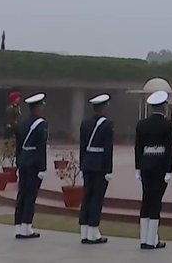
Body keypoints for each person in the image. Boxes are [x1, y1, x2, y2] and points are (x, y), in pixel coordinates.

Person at [135, 90, 172, 250]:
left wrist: (137, 167)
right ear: (164, 107)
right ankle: (152, 240)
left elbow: (138, 148)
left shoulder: (142, 124)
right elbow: (169, 149)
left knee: (146, 199)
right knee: (155, 201)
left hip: (145, 163)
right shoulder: (168, 124)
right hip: (160, 165)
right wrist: (169, 170)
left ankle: (144, 238)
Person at [78, 93, 114, 245]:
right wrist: (109, 170)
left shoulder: (85, 123)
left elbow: (82, 147)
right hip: (100, 165)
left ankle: (84, 232)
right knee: (96, 198)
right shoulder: (107, 124)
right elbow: (108, 149)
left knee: (87, 197)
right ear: (104, 107)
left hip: (87, 163)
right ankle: (93, 233)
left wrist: (81, 165)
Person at [14, 92, 48, 240]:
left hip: (23, 161)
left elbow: (18, 147)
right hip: (34, 163)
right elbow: (41, 148)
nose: (43, 108)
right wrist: (42, 167)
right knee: (30, 196)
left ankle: (19, 226)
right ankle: (26, 227)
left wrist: (18, 162)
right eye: (41, 106)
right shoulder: (41, 124)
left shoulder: (22, 124)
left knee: (22, 194)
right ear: (37, 108)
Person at [4, 91, 22, 166]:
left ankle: (16, 161)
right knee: (9, 145)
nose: (19, 99)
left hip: (16, 128)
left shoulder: (17, 107)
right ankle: (8, 161)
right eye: (17, 98)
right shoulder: (10, 108)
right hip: (11, 129)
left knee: (17, 146)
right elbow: (10, 120)